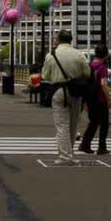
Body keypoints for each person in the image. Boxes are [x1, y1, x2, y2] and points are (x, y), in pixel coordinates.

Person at [40, 29, 91, 164]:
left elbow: (45, 76)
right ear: (71, 40)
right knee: (73, 124)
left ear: (59, 40)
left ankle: (65, 156)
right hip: (76, 91)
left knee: (62, 125)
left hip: (59, 91)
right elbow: (87, 73)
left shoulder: (51, 55)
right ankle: (70, 153)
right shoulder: (79, 54)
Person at [78, 44, 111, 156]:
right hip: (100, 99)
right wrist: (109, 100)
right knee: (104, 124)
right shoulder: (102, 67)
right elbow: (103, 84)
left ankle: (85, 144)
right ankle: (101, 147)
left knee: (93, 122)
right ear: (106, 54)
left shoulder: (90, 65)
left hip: (90, 97)